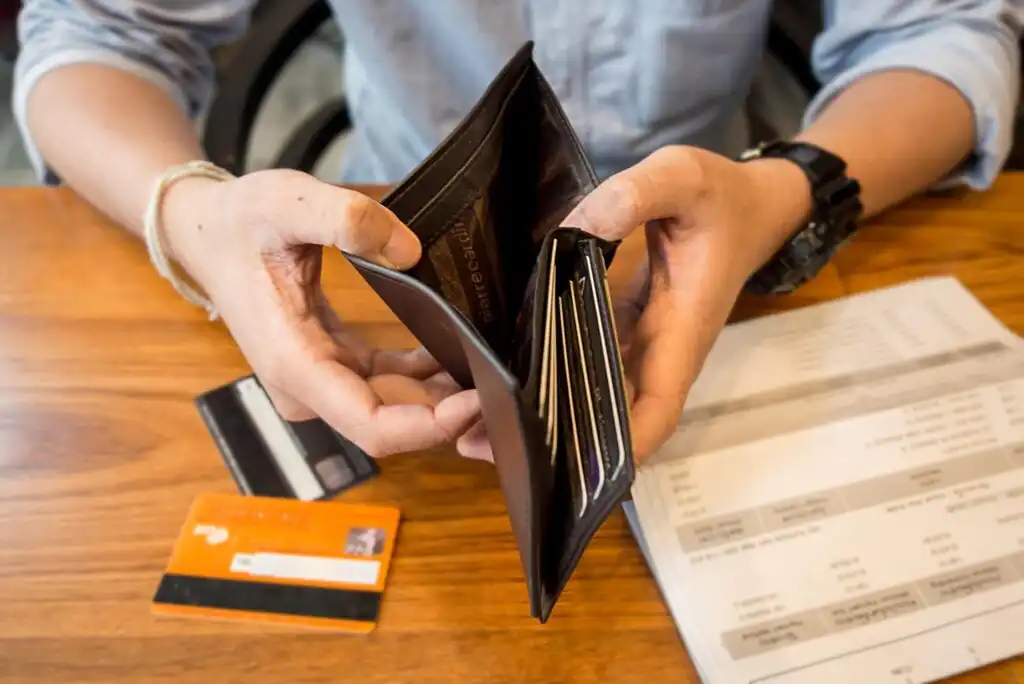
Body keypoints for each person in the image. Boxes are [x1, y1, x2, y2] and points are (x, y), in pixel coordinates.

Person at [12, 1, 1024, 463]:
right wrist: (193, 213)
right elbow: (99, 29)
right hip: (397, 245)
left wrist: (785, 193)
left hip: (708, 228)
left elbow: (940, 29)